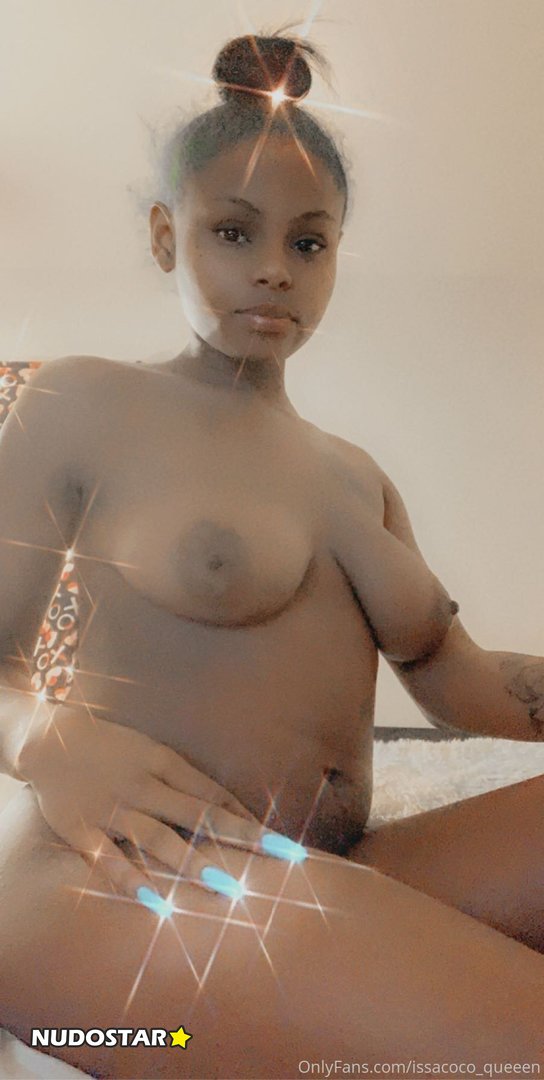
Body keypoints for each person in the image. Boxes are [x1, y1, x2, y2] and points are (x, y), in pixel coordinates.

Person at [0, 28, 542, 1080]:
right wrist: (47, 742)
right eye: (232, 231)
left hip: (318, 868)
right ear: (167, 237)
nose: (272, 269)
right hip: (112, 883)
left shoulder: (356, 476)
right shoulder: (82, 402)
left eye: (308, 243)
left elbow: (463, 683)